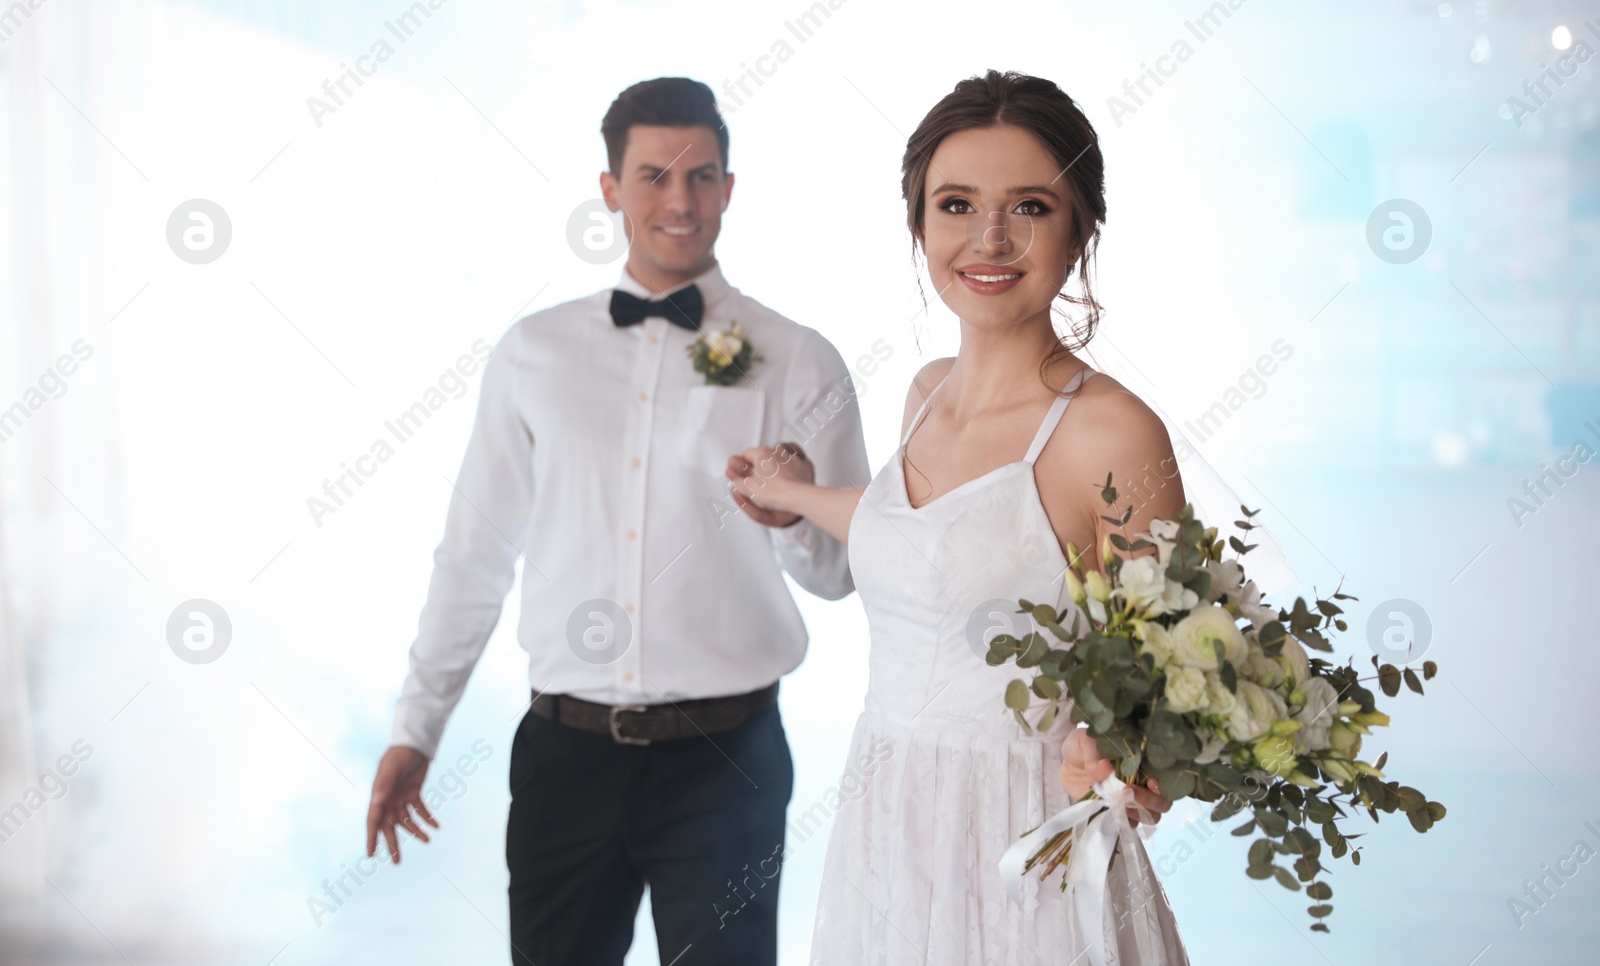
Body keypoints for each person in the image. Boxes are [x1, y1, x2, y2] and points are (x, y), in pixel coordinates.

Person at [365, 76, 872, 966]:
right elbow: (476, 554)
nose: (679, 201)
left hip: (730, 759)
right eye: (652, 176)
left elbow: (840, 570)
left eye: (702, 177)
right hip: (566, 757)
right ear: (609, 190)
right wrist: (418, 726)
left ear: (729, 187)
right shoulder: (532, 352)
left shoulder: (798, 357)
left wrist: (784, 507)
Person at [727, 70, 1192, 963]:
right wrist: (790, 494)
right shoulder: (925, 393)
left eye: (1029, 206)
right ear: (918, 224)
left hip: (1032, 846)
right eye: (956, 204)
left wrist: (1122, 757)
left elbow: (1179, 673)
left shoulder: (1109, 431)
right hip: (890, 824)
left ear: (1082, 228)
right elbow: (935, 542)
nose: (989, 238)